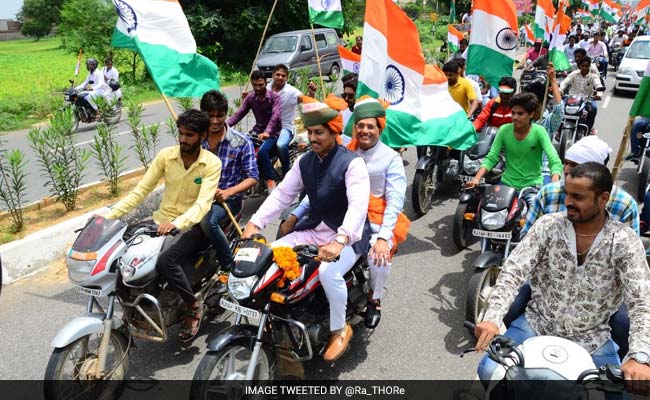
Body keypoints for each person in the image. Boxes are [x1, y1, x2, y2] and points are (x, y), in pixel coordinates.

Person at [475, 162, 650, 388]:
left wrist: (640, 357)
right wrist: (492, 318)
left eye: (578, 197)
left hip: (593, 338)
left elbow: (641, 301)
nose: (568, 202)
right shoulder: (547, 226)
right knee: (488, 371)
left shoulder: (625, 241)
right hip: (536, 324)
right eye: (567, 194)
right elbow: (513, 271)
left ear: (603, 199)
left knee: (620, 393)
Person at [242, 96, 370, 362]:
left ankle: (338, 330)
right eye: (310, 132)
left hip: (347, 237)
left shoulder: (353, 164)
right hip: (312, 230)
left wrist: (340, 240)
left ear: (334, 133)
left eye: (319, 132)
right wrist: (256, 222)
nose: (313, 137)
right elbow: (282, 195)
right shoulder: (305, 162)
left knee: (328, 272)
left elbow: (358, 207)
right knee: (266, 256)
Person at [283, 96, 410, 329]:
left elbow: (394, 200)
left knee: (378, 258)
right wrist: (295, 215)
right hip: (339, 214)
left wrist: (383, 238)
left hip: (374, 221)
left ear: (379, 128)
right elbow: (320, 190)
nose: (364, 130)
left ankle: (375, 298)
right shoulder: (341, 150)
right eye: (360, 125)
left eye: (370, 126)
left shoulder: (390, 158)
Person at [512, 136, 639, 359]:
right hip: (547, 292)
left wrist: (639, 358)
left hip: (599, 303)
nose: (567, 170)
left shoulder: (625, 205)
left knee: (624, 326)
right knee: (510, 311)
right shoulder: (548, 193)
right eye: (566, 163)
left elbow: (631, 263)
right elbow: (526, 242)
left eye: (575, 166)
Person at [104, 110, 222, 341]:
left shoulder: (211, 163)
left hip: (191, 226)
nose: (183, 139)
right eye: (180, 134)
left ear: (202, 135)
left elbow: (202, 204)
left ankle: (192, 305)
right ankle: (133, 304)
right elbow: (141, 191)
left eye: (189, 135)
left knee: (167, 260)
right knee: (120, 255)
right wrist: (109, 216)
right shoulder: (166, 156)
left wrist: (176, 224)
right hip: (159, 221)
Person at [467, 93, 563, 207]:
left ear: (531, 114)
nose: (515, 117)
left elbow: (554, 159)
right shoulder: (503, 130)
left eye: (520, 114)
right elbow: (492, 157)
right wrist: (476, 178)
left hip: (532, 187)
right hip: (506, 184)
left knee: (536, 218)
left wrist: (555, 184)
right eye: (513, 113)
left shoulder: (540, 131)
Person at [199, 90, 258, 273]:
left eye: (219, 116)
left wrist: (228, 192)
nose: (215, 121)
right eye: (210, 116)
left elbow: (253, 177)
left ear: (226, 114)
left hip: (227, 201)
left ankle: (229, 264)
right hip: (199, 197)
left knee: (207, 222)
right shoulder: (195, 141)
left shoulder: (241, 142)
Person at [227, 70, 281, 188]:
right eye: (254, 85)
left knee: (262, 152)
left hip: (273, 133)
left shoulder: (274, 97)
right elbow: (239, 113)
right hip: (256, 132)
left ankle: (271, 180)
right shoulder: (250, 97)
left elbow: (275, 116)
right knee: (238, 148)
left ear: (266, 83)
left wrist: (267, 131)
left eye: (260, 85)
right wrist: (224, 126)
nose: (257, 88)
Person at [268, 64, 316, 177]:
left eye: (283, 76)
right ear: (272, 75)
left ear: (287, 78)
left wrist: (311, 93)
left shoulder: (291, 91)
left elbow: (306, 100)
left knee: (280, 145)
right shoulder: (266, 89)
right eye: (277, 74)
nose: (280, 77)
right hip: (267, 128)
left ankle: (287, 172)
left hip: (285, 127)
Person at [560, 56, 603, 133]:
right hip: (571, 98)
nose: (584, 68)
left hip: (586, 99)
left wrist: (599, 94)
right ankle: (559, 130)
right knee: (560, 108)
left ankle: (588, 130)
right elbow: (565, 82)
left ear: (589, 66)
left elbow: (598, 85)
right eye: (582, 66)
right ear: (580, 66)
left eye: (586, 66)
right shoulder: (574, 74)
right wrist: (560, 90)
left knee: (593, 108)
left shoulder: (593, 76)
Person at [341, 74, 358, 143]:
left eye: (350, 96)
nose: (346, 98)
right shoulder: (342, 111)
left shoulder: (364, 116)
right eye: (344, 95)